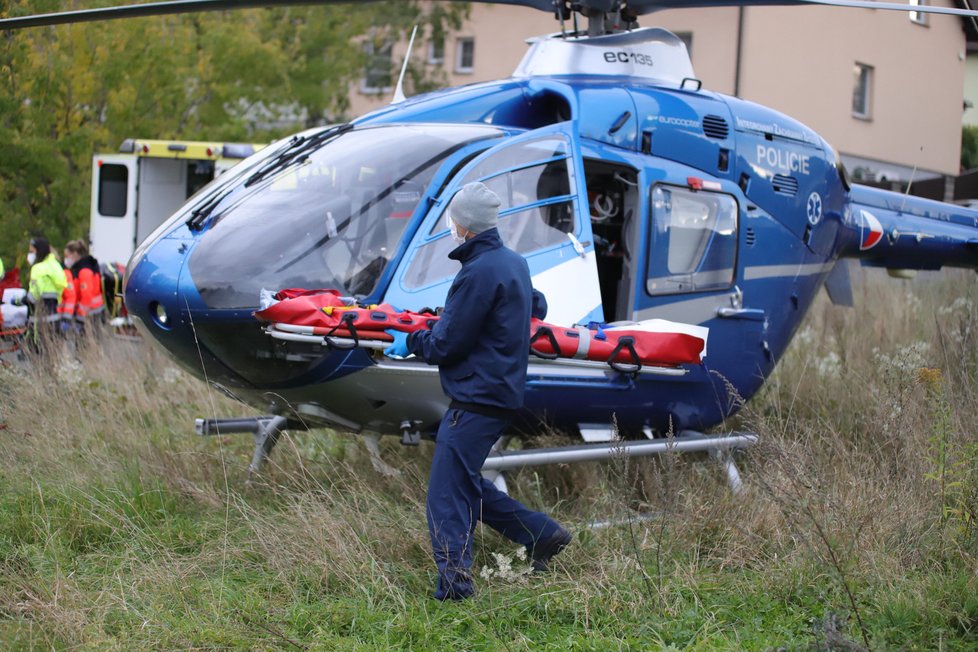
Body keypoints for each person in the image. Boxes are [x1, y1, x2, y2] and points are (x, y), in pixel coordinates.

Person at [384, 181, 571, 601]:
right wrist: (449, 315)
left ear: (463, 224)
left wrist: (411, 343)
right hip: (498, 394)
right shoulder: (512, 263)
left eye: (453, 218)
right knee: (462, 481)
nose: (451, 225)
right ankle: (542, 534)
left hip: (476, 398)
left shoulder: (477, 272)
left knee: (446, 494)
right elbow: (534, 305)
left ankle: (455, 586)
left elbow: (447, 344)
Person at [26, 236, 67, 342]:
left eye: (32, 251)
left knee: (38, 354)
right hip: (54, 318)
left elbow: (33, 297)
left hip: (40, 323)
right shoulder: (55, 265)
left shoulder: (38, 269)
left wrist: (21, 300)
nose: (30, 254)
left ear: (38, 251)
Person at [62, 239, 105, 331]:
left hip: (91, 315)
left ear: (74, 254)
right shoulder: (81, 268)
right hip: (91, 313)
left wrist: (80, 318)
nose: (65, 259)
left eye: (67, 256)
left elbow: (87, 296)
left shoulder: (84, 270)